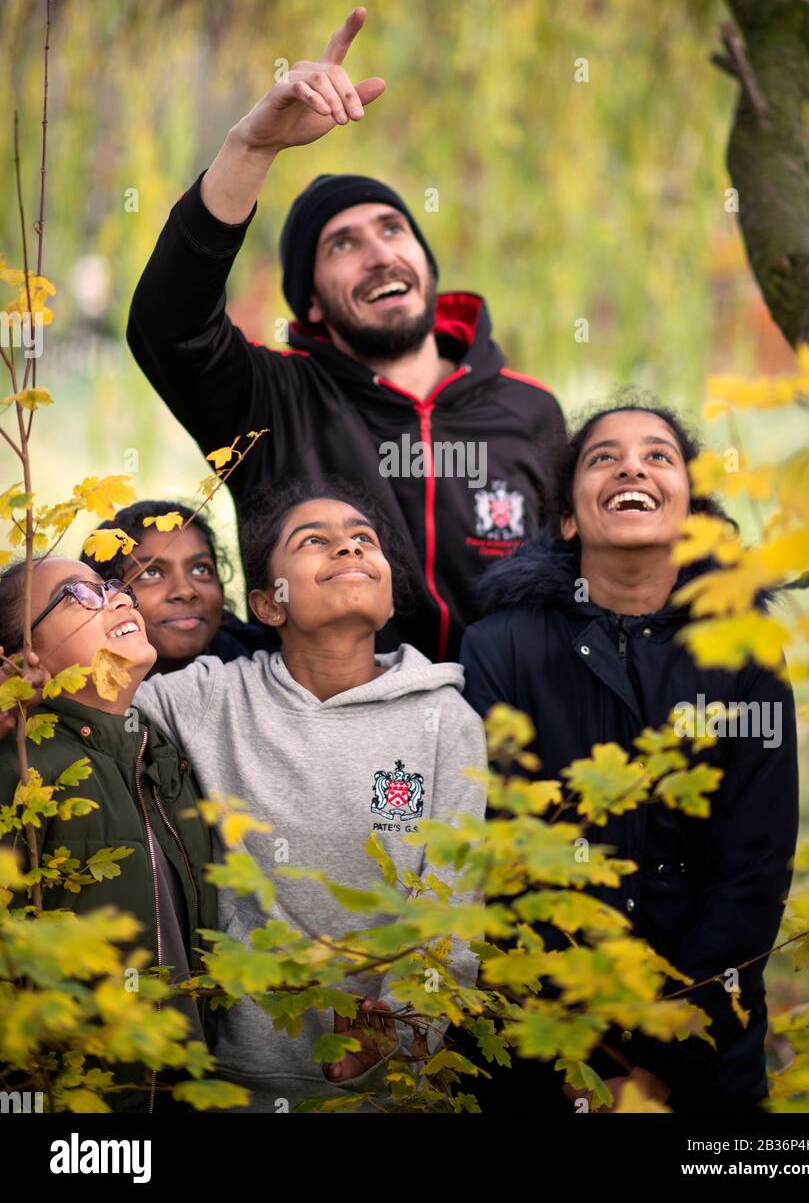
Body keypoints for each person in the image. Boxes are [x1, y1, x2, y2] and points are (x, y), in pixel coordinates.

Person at [127, 7, 565, 662]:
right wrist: (251, 147)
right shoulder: (271, 402)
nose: (380, 255)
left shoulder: (530, 410)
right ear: (312, 301)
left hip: (503, 748)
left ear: (425, 262)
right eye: (343, 245)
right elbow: (169, 326)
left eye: (394, 230)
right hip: (330, 749)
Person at [458, 403, 799, 1115]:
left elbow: (752, 871)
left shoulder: (745, 652)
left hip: (708, 1045)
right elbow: (507, 859)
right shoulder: (501, 648)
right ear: (570, 521)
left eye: (658, 455)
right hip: (543, 1043)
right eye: (603, 457)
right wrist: (588, 1064)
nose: (632, 467)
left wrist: (659, 1068)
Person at [131, 476, 488, 1112]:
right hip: (243, 1072)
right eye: (315, 541)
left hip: (397, 1076)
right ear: (270, 606)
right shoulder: (213, 697)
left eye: (363, 540)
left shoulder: (446, 719)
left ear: (387, 599)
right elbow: (90, 702)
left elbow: (455, 900)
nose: (348, 549)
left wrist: (403, 1027)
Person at [0, 556, 219, 1113]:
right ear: (23, 661)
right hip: (76, 1102)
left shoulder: (161, 753)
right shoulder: (23, 771)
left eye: (112, 586)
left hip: (183, 1087)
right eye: (80, 594)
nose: (119, 598)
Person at [82, 500, 276, 670]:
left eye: (201, 569)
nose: (185, 591)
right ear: (101, 596)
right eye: (151, 573)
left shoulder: (271, 668)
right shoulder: (65, 691)